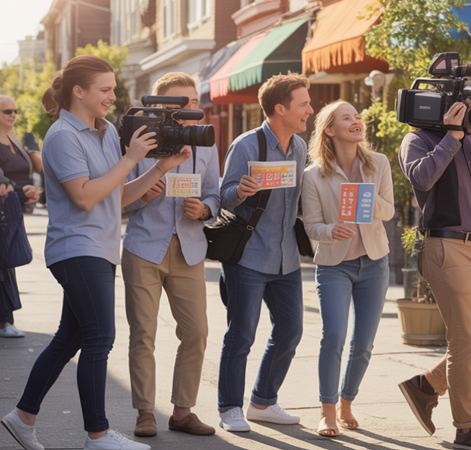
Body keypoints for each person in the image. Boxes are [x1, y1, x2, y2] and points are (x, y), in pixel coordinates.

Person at [0, 54, 190, 450]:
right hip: (77, 248)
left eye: (113, 88)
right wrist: (132, 158)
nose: (112, 96)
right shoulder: (61, 136)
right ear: (79, 91)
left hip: (101, 248)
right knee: (100, 337)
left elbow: (115, 195)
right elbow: (85, 197)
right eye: (105, 89)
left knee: (69, 339)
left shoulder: (103, 131)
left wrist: (160, 168)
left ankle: (22, 417)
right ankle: (98, 435)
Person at [397, 95, 471, 450]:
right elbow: (421, 177)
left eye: (469, 105)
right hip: (445, 245)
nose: (467, 111)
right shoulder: (417, 139)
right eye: (459, 106)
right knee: (463, 339)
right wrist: (451, 137)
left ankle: (427, 385)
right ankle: (467, 427)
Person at [122, 73, 220, 438]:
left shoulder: (205, 143)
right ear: (161, 107)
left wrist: (205, 209)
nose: (190, 109)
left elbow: (216, 193)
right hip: (144, 246)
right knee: (143, 334)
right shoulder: (138, 140)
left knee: (196, 333)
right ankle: (144, 412)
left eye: (194, 102)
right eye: (181, 103)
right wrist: (143, 194)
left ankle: (182, 411)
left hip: (190, 248)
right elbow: (118, 197)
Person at [216, 72, 312, 433]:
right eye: (303, 104)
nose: (309, 110)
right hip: (249, 255)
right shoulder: (247, 145)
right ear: (279, 109)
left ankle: (262, 401)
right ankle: (229, 407)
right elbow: (224, 197)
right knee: (241, 333)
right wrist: (241, 190)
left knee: (290, 329)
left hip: (286, 255)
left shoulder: (300, 148)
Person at [301, 100, 394, 437]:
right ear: (330, 130)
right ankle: (327, 411)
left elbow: (389, 212)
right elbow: (311, 226)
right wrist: (331, 230)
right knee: (334, 336)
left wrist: (366, 198)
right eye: (347, 118)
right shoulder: (313, 175)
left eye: (357, 116)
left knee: (364, 342)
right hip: (334, 265)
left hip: (374, 262)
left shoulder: (379, 163)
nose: (357, 121)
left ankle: (346, 402)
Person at [0, 95, 40, 339]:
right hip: (3, 210)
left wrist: (31, 191)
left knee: (7, 262)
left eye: (15, 110)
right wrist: (19, 188)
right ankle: (5, 321)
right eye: (7, 111)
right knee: (4, 264)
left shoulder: (14, 139)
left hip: (12, 210)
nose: (13, 114)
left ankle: (6, 320)